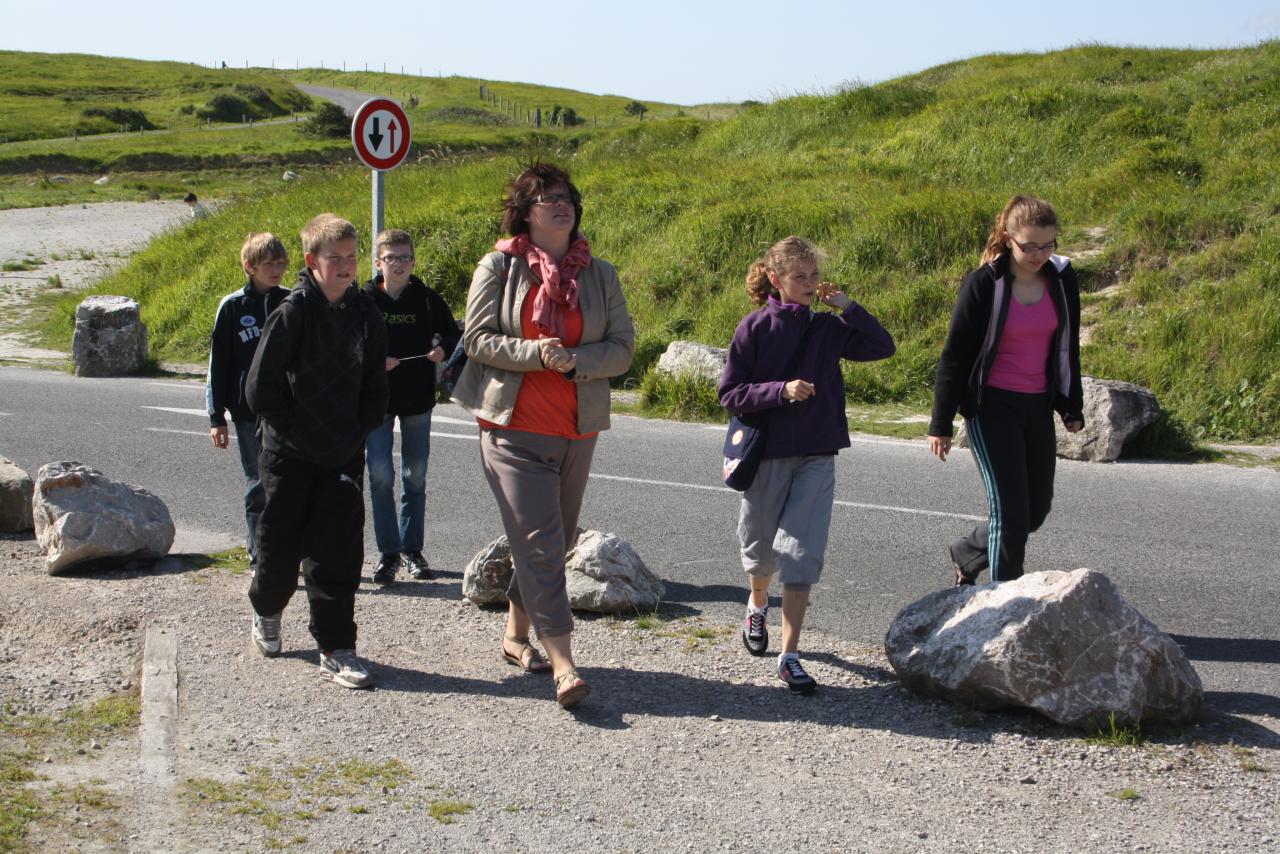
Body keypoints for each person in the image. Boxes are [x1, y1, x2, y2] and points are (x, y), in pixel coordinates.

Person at [451, 162, 635, 709]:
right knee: (541, 542)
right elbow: (477, 339)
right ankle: (563, 663)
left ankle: (514, 635)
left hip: (577, 430)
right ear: (525, 212)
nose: (561, 205)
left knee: (553, 539)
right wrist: (535, 354)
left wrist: (575, 359)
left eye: (567, 198)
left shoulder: (598, 273)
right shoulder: (499, 266)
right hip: (510, 429)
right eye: (546, 198)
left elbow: (623, 349)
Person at [720, 236, 895, 694]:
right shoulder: (754, 328)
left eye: (814, 275)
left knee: (801, 554)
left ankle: (789, 655)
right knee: (759, 549)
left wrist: (847, 306)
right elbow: (730, 395)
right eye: (800, 276)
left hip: (818, 452)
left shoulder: (828, 328)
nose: (810, 283)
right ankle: (757, 605)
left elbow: (882, 346)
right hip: (768, 454)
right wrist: (779, 391)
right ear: (776, 280)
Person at [244, 213, 389, 689]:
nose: (346, 266)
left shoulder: (366, 312)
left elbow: (374, 384)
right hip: (288, 456)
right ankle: (266, 610)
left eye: (352, 257)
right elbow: (260, 389)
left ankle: (337, 647)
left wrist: (358, 431)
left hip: (342, 456)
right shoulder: (293, 312)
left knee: (338, 553)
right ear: (312, 261)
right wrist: (296, 433)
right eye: (336, 258)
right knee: (279, 551)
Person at [928, 195, 1084, 586]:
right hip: (991, 405)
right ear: (1008, 237)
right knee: (1011, 514)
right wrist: (941, 422)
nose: (1038, 254)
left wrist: (1070, 404)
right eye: (1028, 245)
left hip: (1037, 404)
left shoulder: (1061, 279)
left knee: (1035, 512)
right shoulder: (985, 283)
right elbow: (955, 355)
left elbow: (1068, 345)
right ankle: (1005, 603)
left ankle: (969, 551)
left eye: (1047, 245)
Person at [363, 228, 460, 586]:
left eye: (405, 258)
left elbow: (453, 335)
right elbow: (347, 344)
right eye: (392, 258)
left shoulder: (426, 298)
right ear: (378, 263)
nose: (400, 264)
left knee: (414, 477)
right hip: (376, 400)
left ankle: (412, 550)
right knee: (379, 476)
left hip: (418, 398)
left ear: (413, 261)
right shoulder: (364, 300)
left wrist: (442, 350)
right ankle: (388, 554)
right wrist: (375, 361)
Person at [205, 232, 290, 573]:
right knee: (257, 483)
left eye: (282, 263)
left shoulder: (293, 300)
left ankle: (286, 551)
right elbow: (218, 364)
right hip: (246, 411)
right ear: (249, 266)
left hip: (288, 410)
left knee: (288, 484)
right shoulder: (232, 307)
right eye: (269, 264)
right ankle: (259, 555)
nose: (277, 270)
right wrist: (215, 416)